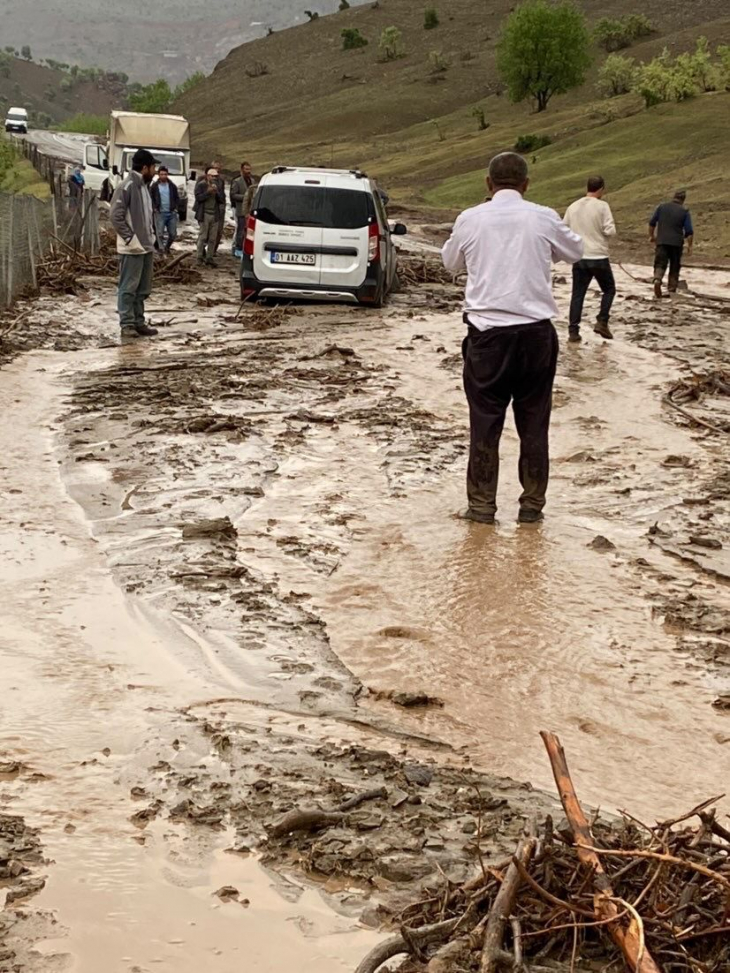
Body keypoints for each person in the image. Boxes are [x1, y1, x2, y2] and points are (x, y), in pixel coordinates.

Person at [442, 152, 583, 525]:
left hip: (487, 338)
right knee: (534, 421)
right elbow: (576, 251)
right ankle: (532, 507)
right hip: (536, 336)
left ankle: (482, 507)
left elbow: (450, 263)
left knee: (485, 422)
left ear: (488, 184)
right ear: (526, 184)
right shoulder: (544, 217)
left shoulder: (470, 219)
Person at [110, 148, 159, 341]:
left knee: (142, 288)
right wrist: (130, 239)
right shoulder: (127, 186)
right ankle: (127, 324)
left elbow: (146, 216)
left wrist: (152, 238)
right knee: (128, 287)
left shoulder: (144, 187)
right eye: (153, 167)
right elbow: (116, 216)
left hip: (146, 246)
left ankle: (139, 321)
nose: (155, 171)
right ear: (145, 168)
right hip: (132, 249)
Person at [563, 176, 617, 342]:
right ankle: (602, 321)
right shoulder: (602, 206)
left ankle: (573, 331)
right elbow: (610, 230)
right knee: (609, 289)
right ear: (601, 189)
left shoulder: (573, 206)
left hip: (580, 256)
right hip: (598, 255)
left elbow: (564, 228)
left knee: (578, 294)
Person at [650, 190, 694, 298]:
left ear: (673, 197)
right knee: (675, 266)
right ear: (683, 200)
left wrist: (652, 236)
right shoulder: (684, 211)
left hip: (662, 241)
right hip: (676, 243)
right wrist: (689, 246)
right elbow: (689, 231)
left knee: (660, 263)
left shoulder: (661, 207)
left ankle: (657, 279)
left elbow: (652, 223)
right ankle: (671, 290)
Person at [194, 167, 225, 267]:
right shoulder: (201, 185)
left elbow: (222, 200)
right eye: (213, 176)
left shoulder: (218, 185)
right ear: (208, 176)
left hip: (214, 214)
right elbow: (198, 198)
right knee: (203, 237)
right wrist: (208, 192)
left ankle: (209, 257)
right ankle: (199, 257)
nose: (215, 178)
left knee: (212, 238)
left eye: (216, 176)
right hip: (204, 214)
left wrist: (216, 193)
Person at [150, 166, 180, 254]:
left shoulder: (172, 186)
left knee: (173, 234)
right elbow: (151, 198)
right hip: (160, 213)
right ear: (158, 175)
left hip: (171, 213)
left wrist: (175, 208)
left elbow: (177, 198)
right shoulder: (154, 186)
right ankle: (161, 249)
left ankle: (167, 247)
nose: (163, 176)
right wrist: (155, 208)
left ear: (167, 175)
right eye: (161, 174)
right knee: (160, 234)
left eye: (165, 174)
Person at [230, 161, 256, 256]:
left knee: (249, 231)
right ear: (242, 169)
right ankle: (237, 248)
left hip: (251, 211)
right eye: (246, 169)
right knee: (240, 231)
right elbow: (233, 195)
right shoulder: (237, 181)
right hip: (240, 210)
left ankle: (246, 249)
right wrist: (245, 197)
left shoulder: (252, 181)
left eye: (249, 169)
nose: (248, 171)